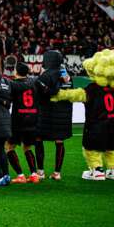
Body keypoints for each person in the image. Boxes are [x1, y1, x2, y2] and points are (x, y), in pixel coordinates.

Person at [52, 49, 114, 181]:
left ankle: (97, 170)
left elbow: (75, 94)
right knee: (113, 148)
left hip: (97, 125)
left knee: (91, 149)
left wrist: (57, 95)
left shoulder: (93, 89)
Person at [34, 50, 73, 181]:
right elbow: (70, 90)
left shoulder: (46, 75)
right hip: (64, 113)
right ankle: (57, 173)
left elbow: (39, 93)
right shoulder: (66, 74)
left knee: (38, 139)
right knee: (59, 141)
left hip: (46, 112)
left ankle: (40, 171)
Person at [4, 63, 41, 184]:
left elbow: (8, 101)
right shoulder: (34, 83)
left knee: (9, 147)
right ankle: (34, 174)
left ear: (16, 72)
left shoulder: (14, 85)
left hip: (18, 119)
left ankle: (20, 175)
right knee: (27, 147)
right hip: (33, 118)